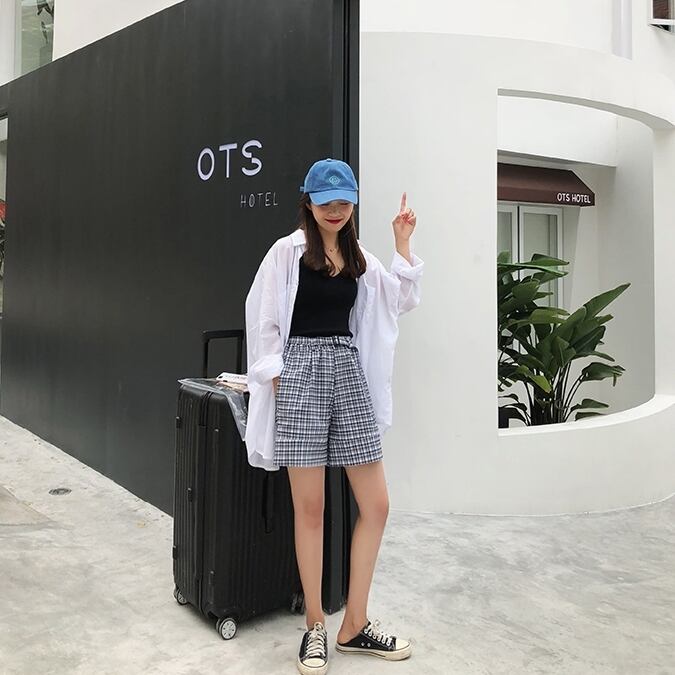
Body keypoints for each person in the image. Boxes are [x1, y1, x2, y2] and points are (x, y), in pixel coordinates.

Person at [244, 158, 424, 675]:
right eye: (326, 202)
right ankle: (316, 626)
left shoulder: (359, 256)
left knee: (377, 504)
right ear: (309, 202)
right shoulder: (286, 252)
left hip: (347, 373)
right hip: (300, 374)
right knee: (311, 509)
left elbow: (400, 299)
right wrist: (278, 377)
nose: (336, 211)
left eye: (344, 202)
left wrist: (403, 244)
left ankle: (355, 624)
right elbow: (264, 316)